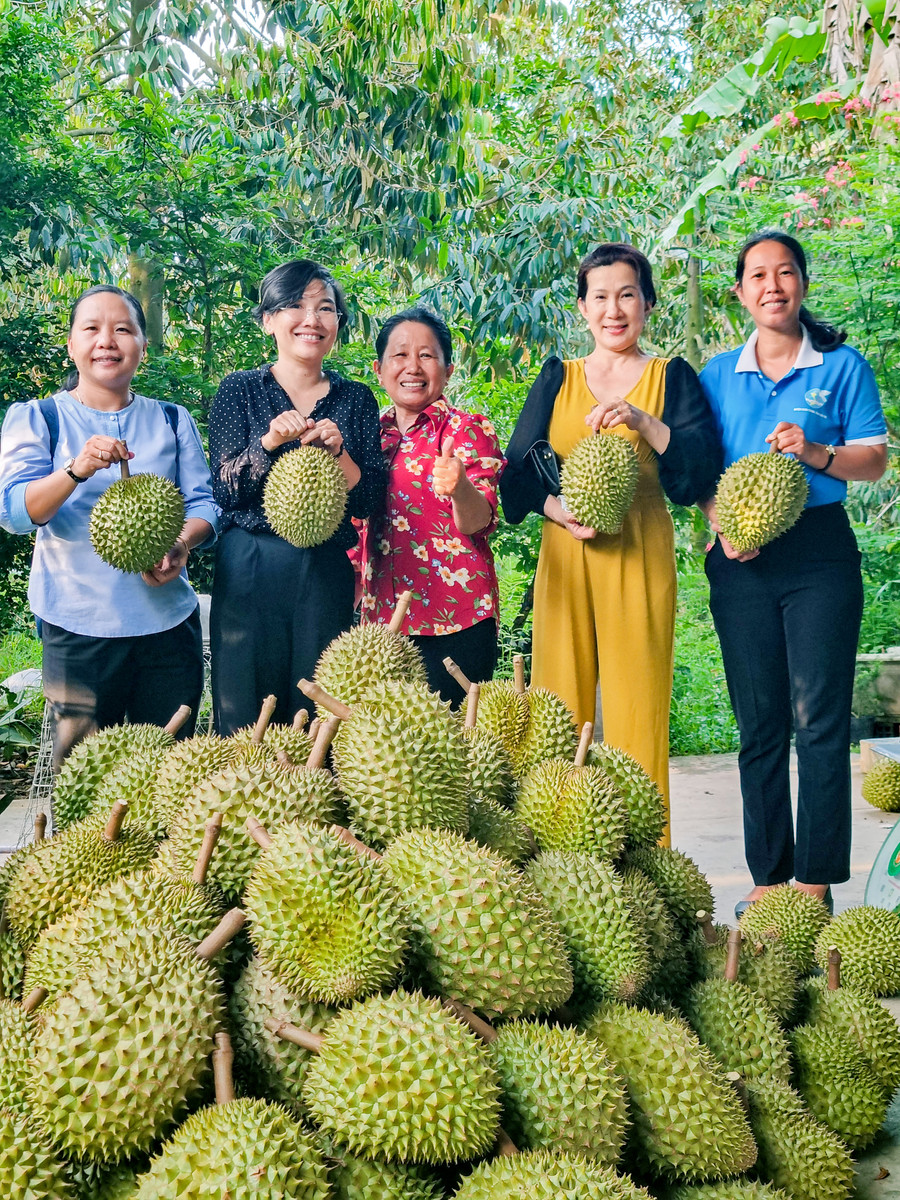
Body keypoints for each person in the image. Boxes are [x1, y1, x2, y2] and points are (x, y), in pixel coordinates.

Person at [699, 230, 887, 916]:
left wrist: (816, 452)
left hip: (819, 552)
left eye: (785, 273)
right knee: (761, 723)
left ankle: (815, 882)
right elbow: (695, 466)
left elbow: (874, 459)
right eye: (758, 275)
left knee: (820, 721)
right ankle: (770, 879)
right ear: (741, 292)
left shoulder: (841, 367)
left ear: (803, 284)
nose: (772, 285)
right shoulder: (719, 374)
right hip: (740, 557)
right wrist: (721, 519)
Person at [501, 243, 721, 819]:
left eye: (627, 295)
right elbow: (516, 472)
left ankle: (650, 871)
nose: (614, 309)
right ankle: (553, 860)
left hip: (639, 547)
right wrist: (555, 509)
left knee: (637, 708)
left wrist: (644, 420)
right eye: (600, 296)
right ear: (582, 307)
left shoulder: (671, 377)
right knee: (556, 709)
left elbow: (700, 468)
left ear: (648, 303)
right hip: (566, 553)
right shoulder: (558, 377)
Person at [0, 285, 218, 769]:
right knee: (83, 781)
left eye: (124, 329)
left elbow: (204, 505)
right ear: (72, 345)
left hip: (167, 628)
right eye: (92, 329)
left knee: (169, 779)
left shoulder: (171, 419)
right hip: (78, 631)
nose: (108, 341)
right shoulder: (40, 417)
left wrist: (182, 542)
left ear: (143, 344)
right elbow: (15, 513)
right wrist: (76, 469)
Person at [208, 259, 386, 735]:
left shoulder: (356, 399)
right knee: (245, 701)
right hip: (249, 562)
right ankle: (242, 804)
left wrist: (341, 452)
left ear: (338, 325)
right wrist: (266, 444)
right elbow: (224, 490)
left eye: (325, 308)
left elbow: (369, 499)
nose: (312, 319)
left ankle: (311, 806)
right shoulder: (240, 390)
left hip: (325, 566)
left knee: (318, 701)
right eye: (294, 306)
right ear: (268, 320)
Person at [356, 307, 504, 706]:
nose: (413, 367)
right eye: (400, 355)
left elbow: (480, 521)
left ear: (448, 368)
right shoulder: (368, 436)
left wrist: (459, 487)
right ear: (379, 368)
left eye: (427, 355)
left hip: (457, 619)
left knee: (452, 752)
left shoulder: (468, 429)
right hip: (381, 627)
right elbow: (357, 532)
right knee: (385, 753)